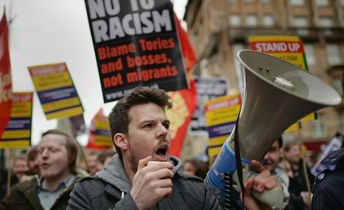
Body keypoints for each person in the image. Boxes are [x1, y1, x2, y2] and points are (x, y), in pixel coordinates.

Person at [67, 86, 279, 210]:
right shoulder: (88, 192)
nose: (163, 132)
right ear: (122, 141)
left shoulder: (197, 192)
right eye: (148, 125)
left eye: (165, 124)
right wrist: (134, 204)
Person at [0, 129, 81, 210]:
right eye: (40, 151)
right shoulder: (20, 191)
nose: (44, 155)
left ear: (71, 156)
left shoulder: (87, 191)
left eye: (53, 150)